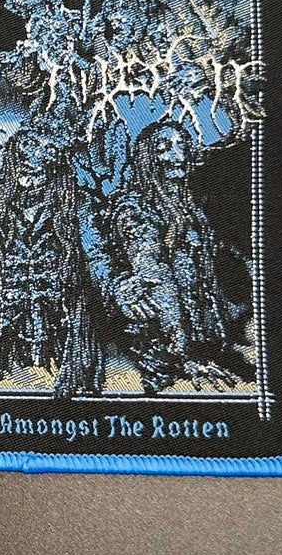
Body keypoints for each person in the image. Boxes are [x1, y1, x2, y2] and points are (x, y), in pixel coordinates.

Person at [102, 120, 248, 392]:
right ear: (149, 158)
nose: (177, 154)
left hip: (202, 344)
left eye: (181, 145)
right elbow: (157, 282)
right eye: (165, 148)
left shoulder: (188, 203)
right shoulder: (135, 211)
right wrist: (185, 355)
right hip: (159, 348)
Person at [0, 125, 111, 398]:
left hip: (64, 330)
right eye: (24, 152)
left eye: (41, 153)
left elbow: (96, 257)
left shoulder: (78, 204)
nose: (30, 162)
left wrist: (117, 287)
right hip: (5, 337)